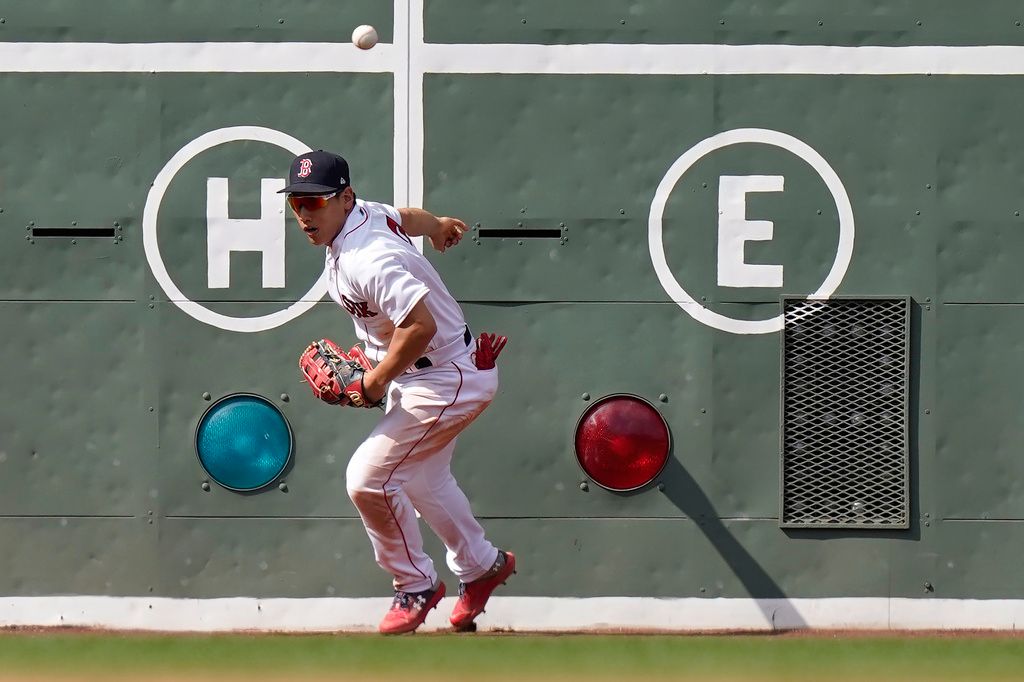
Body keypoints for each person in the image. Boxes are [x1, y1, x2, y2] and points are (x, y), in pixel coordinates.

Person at [281, 150, 515, 634]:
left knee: (367, 479)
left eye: (315, 202)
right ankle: (483, 565)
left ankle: (415, 585)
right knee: (424, 480)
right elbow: (402, 216)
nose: (304, 213)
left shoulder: (371, 258)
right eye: (297, 203)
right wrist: (436, 226)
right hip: (431, 372)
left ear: (344, 199)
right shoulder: (361, 217)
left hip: (444, 378)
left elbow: (420, 327)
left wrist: (374, 379)